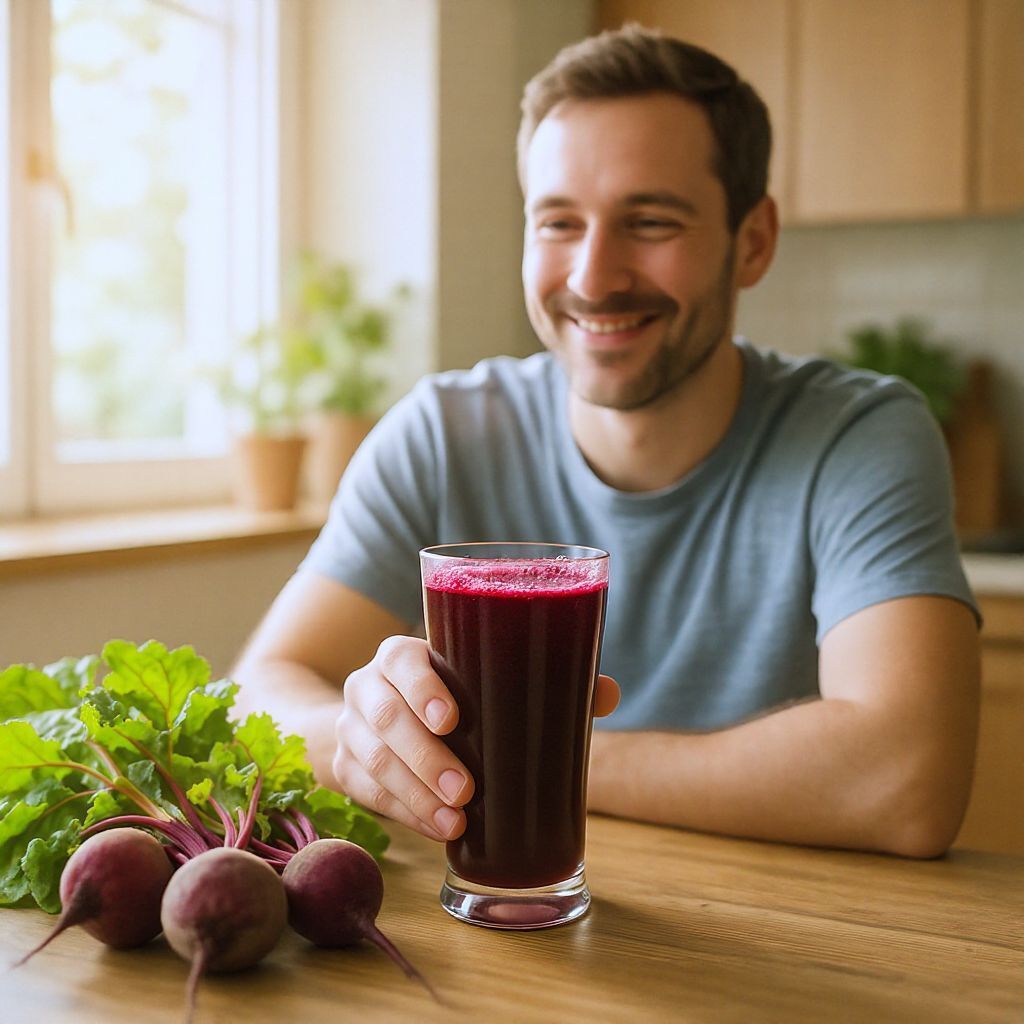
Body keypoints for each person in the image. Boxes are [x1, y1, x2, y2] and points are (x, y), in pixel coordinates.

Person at [233, 25, 980, 859]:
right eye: (557, 223)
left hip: (776, 948)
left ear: (754, 242)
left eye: (650, 221)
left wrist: (535, 760)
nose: (593, 277)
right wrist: (363, 737)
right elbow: (257, 693)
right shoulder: (444, 432)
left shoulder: (859, 436)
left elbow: (906, 782)